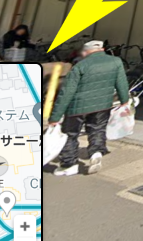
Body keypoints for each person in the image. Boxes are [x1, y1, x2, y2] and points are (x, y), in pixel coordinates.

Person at [47, 40, 130, 177]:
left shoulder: (80, 65)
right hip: (102, 105)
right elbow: (121, 82)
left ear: (86, 52)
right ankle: (96, 153)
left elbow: (66, 92)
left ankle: (69, 165)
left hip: (77, 107)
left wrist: (55, 116)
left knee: (70, 134)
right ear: (102, 49)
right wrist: (124, 101)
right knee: (97, 129)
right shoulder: (116, 62)